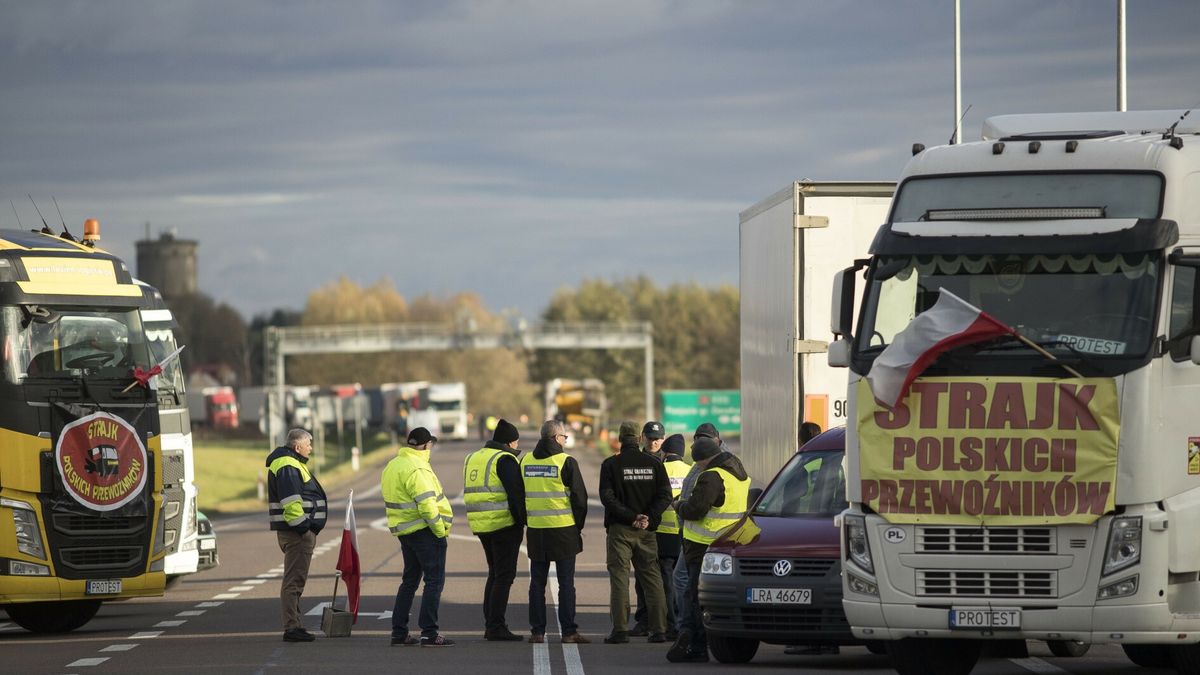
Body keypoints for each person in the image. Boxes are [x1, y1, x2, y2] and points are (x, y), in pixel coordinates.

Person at [667, 435, 751, 663]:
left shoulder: (711, 476)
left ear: (705, 460)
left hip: (702, 546)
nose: (698, 467)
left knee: (695, 596)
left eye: (699, 463)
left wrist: (679, 505)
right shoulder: (738, 472)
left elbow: (696, 510)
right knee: (711, 597)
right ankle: (700, 640)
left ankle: (696, 645)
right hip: (729, 543)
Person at [599, 421, 672, 644]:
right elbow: (665, 495)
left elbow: (607, 497)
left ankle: (620, 630)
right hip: (647, 531)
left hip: (621, 529)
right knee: (652, 578)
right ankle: (659, 630)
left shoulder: (611, 464)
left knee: (620, 578)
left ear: (620, 439)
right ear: (639, 438)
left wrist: (631, 517)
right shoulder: (654, 463)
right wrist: (648, 517)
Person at [384, 427, 455, 647]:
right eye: (430, 444)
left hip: (405, 532)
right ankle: (429, 633)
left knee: (410, 581)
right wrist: (439, 531)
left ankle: (399, 632)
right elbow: (427, 506)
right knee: (434, 582)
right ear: (425, 445)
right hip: (425, 531)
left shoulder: (393, 464)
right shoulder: (418, 468)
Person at [522, 419, 590, 644]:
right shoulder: (566, 461)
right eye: (564, 437)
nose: (565, 441)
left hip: (536, 531)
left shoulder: (526, 461)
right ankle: (569, 632)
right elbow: (580, 499)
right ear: (555, 438)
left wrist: (528, 520)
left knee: (536, 584)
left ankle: (537, 632)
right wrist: (577, 526)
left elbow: (518, 495)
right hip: (563, 531)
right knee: (566, 584)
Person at [463, 418, 525, 641]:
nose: (517, 447)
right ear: (510, 442)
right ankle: (496, 626)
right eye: (516, 442)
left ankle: (491, 623)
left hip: (481, 525)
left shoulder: (474, 457)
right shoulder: (505, 459)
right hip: (503, 525)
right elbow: (515, 494)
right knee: (504, 575)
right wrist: (522, 521)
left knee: (494, 573)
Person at [266, 428, 327, 643]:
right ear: (297, 446)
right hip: (296, 533)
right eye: (308, 443)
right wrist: (304, 529)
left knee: (296, 579)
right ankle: (292, 627)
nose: (311, 447)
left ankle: (295, 625)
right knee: (294, 580)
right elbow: (291, 502)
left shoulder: (292, 462)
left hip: (297, 532)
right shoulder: (288, 465)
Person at [632, 430, 688, 640]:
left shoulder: (658, 468)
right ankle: (679, 622)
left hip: (659, 532)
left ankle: (663, 623)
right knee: (679, 580)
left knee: (656, 580)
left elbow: (647, 499)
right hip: (682, 533)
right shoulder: (691, 472)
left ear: (664, 451)